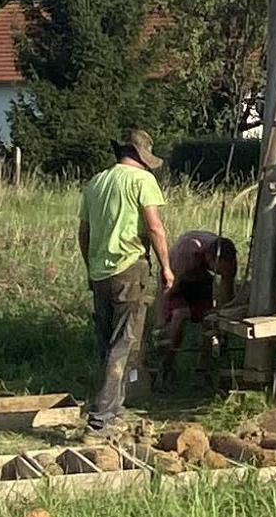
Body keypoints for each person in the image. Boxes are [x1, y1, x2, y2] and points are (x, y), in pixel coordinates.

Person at [76, 129, 171, 434]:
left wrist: (90, 266)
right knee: (124, 342)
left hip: (100, 272)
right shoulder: (143, 181)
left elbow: (84, 233)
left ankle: (113, 409)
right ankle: (101, 418)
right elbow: (155, 228)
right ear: (142, 157)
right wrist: (166, 267)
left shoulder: (96, 182)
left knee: (107, 342)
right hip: (130, 268)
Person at [156, 226, 239, 383]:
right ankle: (166, 365)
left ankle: (202, 369)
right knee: (179, 315)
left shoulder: (229, 259)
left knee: (210, 319)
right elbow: (168, 289)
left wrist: (223, 319)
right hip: (178, 279)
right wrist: (161, 320)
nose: (222, 273)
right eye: (219, 270)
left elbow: (227, 292)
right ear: (210, 258)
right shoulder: (186, 253)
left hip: (202, 279)